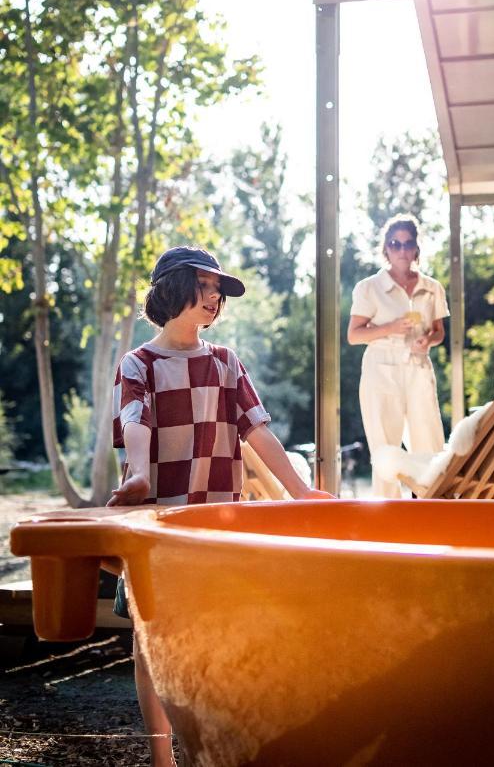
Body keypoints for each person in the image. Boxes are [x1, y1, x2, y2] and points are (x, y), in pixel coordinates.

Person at [107, 245, 332, 767]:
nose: (214, 298)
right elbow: (134, 422)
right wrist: (140, 475)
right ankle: (161, 759)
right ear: (171, 289)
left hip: (216, 523)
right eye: (205, 286)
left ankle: (203, 752)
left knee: (207, 638)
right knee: (149, 642)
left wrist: (299, 492)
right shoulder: (137, 363)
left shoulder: (226, 363)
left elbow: (257, 431)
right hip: (156, 523)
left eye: (218, 291)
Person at [347, 214, 449, 498]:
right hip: (381, 369)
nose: (402, 250)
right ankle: (387, 519)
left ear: (416, 247)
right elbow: (354, 335)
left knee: (429, 442)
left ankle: (434, 510)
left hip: (418, 366)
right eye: (395, 244)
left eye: (407, 244)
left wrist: (428, 340)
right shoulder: (369, 287)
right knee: (385, 447)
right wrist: (391, 327)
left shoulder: (432, 288)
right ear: (386, 249)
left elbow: (440, 331)